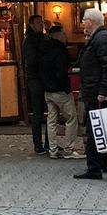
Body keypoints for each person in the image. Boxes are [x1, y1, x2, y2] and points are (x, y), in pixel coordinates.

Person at [75, 8, 107, 180]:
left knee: (95, 131)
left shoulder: (102, 39)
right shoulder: (97, 38)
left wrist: (103, 91)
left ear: (91, 22)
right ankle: (98, 165)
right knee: (96, 131)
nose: (82, 23)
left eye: (84, 20)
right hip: (93, 91)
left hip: (97, 93)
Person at [40, 25, 85, 160]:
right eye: (63, 34)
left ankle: (53, 150)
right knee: (71, 118)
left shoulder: (42, 49)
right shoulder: (60, 51)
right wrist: (66, 87)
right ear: (58, 35)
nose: (65, 36)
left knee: (51, 120)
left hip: (47, 90)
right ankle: (69, 149)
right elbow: (61, 73)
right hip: (60, 91)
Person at [22, 15, 49, 155]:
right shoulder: (30, 41)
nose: (41, 25)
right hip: (35, 79)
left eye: (42, 22)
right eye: (38, 22)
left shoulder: (43, 38)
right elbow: (31, 60)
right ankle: (38, 144)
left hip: (43, 79)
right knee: (38, 113)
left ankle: (48, 143)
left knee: (50, 112)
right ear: (31, 24)